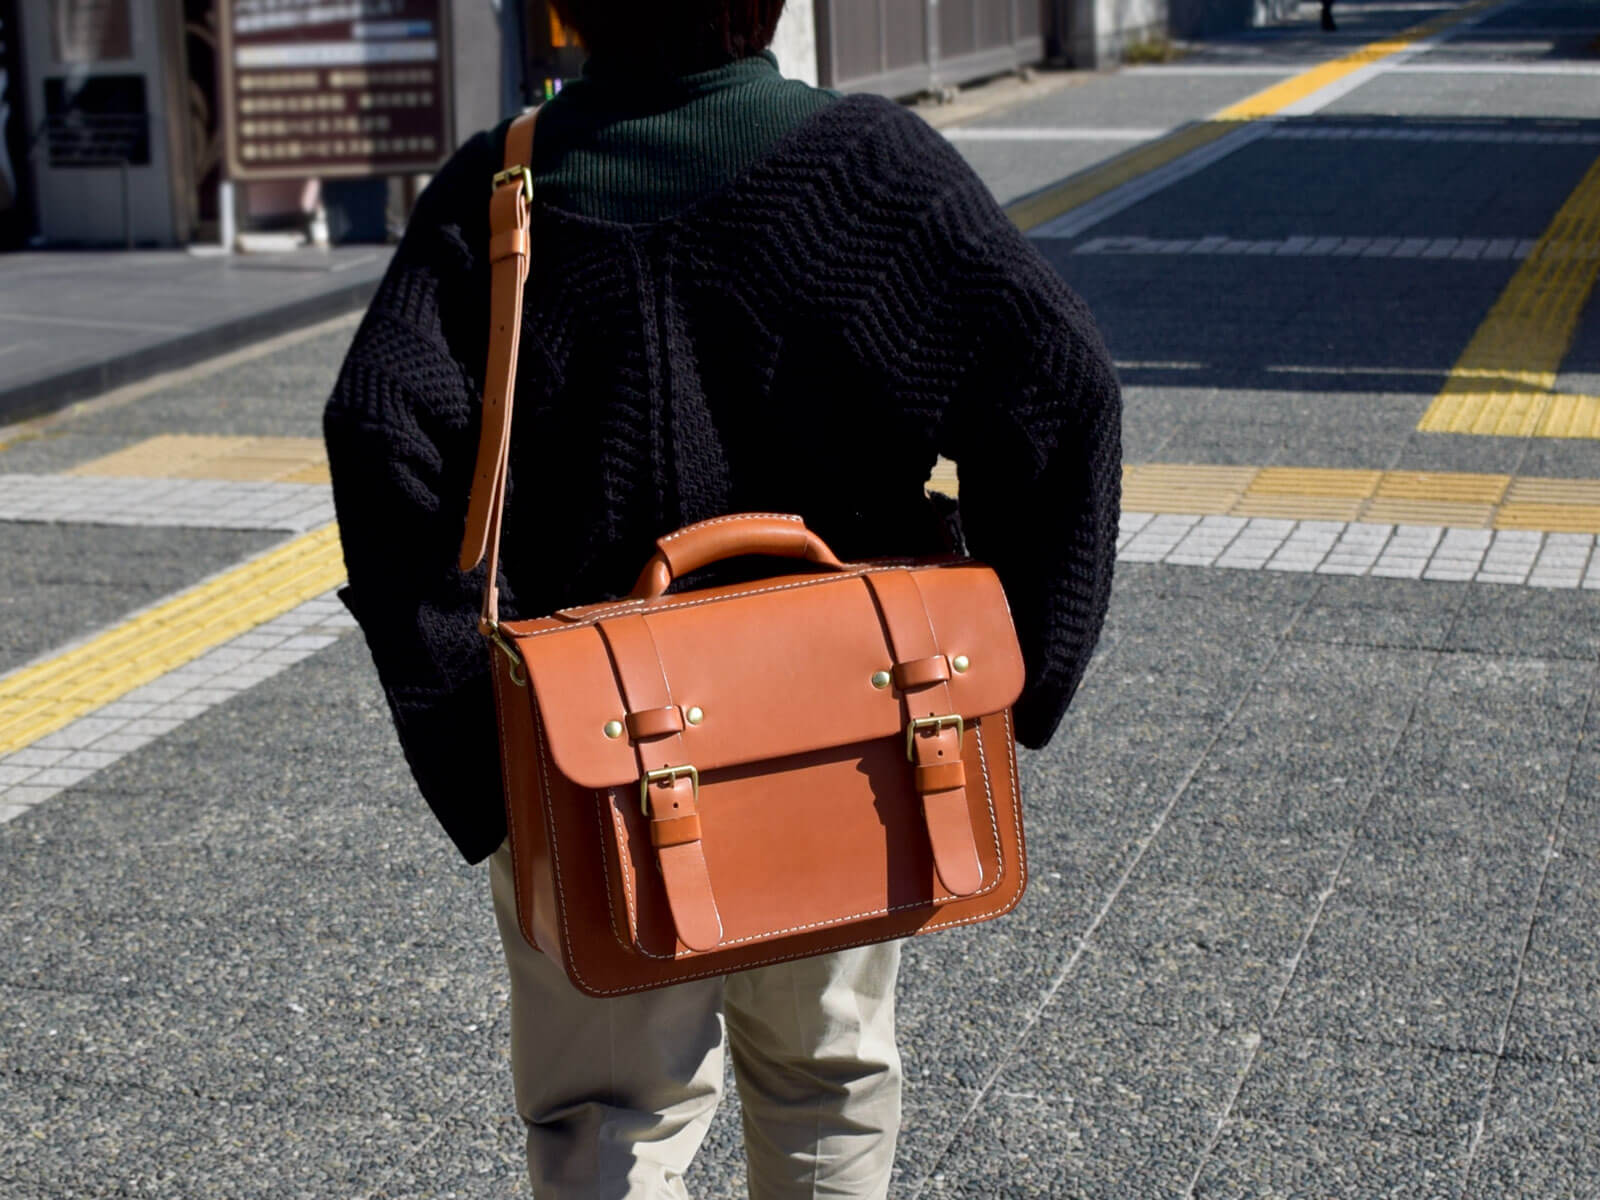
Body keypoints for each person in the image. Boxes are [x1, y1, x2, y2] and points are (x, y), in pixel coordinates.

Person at [323, 0, 1121, 1194]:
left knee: (610, 1115)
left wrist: (472, 742)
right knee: (825, 1082)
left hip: (587, 759)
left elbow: (379, 432)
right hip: (841, 739)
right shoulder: (870, 170)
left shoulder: (501, 186)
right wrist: (1021, 671)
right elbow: (1060, 387)